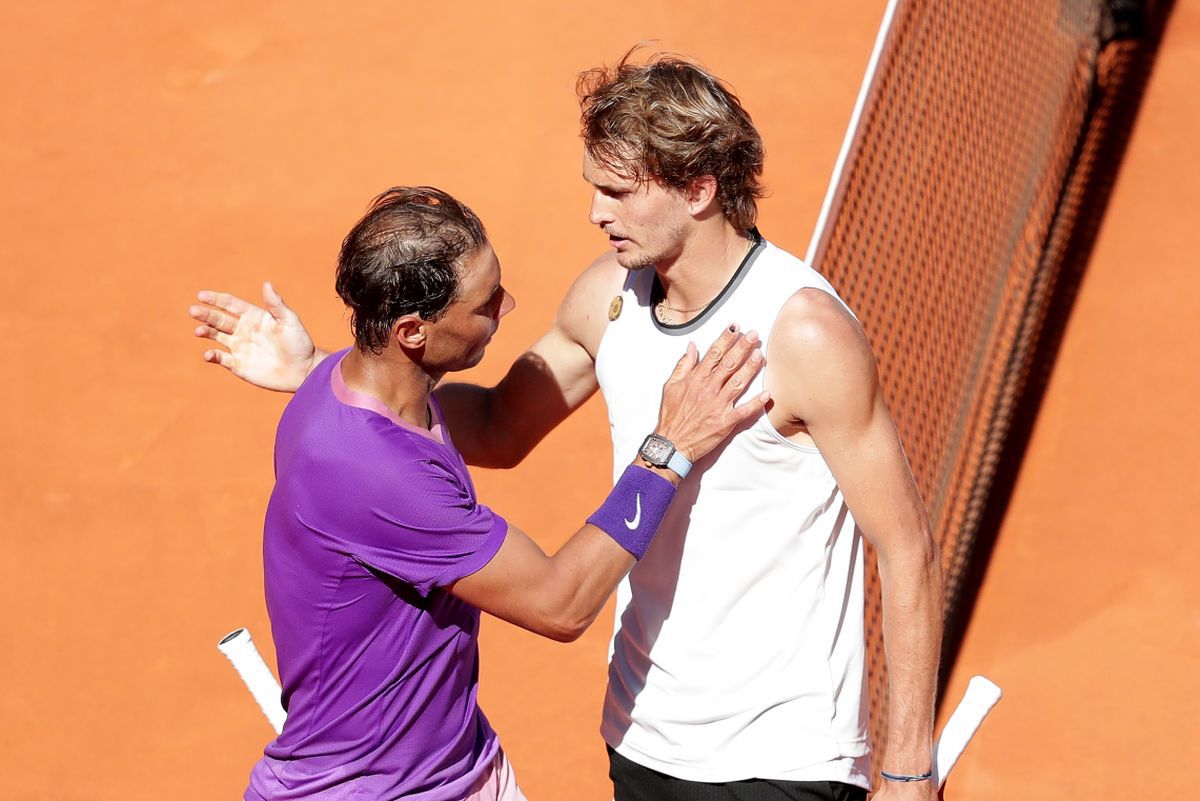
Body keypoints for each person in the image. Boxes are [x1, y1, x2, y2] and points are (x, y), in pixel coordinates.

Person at [191, 52, 944, 801]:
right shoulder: (607, 299)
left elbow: (906, 546)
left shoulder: (803, 333)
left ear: (698, 189)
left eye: (616, 192)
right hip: (644, 732)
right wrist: (338, 378)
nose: (595, 213)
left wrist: (908, 769)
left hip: (776, 752)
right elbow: (497, 425)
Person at [224, 185, 769, 801]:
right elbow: (560, 603)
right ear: (412, 331)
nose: (507, 306)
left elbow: (494, 431)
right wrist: (669, 448)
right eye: (486, 303)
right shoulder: (378, 475)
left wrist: (309, 366)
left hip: (457, 765)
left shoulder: (344, 385)